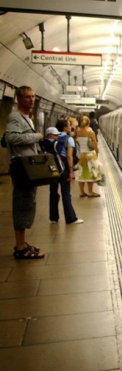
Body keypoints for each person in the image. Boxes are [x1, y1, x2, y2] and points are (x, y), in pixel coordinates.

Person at [5, 86, 45, 259]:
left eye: (32, 96)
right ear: (18, 99)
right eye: (27, 97)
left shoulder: (26, 117)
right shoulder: (15, 116)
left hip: (29, 168)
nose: (31, 100)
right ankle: (20, 247)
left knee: (28, 202)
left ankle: (22, 242)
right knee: (22, 203)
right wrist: (36, 137)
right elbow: (11, 137)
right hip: (22, 168)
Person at [42, 122, 83, 224]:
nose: (71, 127)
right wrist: (71, 171)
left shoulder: (48, 140)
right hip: (63, 168)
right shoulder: (68, 139)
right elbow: (69, 156)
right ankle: (70, 218)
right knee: (65, 193)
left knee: (53, 192)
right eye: (69, 126)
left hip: (52, 169)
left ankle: (53, 218)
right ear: (65, 127)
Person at [75, 115, 102, 197]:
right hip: (90, 154)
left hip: (82, 154)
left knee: (81, 173)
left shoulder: (78, 130)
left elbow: (76, 140)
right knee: (91, 173)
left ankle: (81, 192)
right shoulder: (91, 132)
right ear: (88, 123)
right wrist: (97, 154)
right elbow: (95, 145)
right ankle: (90, 192)